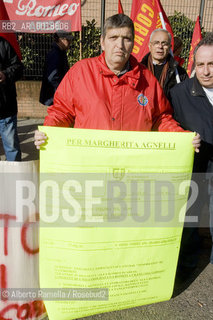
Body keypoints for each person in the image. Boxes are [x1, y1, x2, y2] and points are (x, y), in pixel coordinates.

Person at [34, 14, 200, 152]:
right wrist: (48, 132)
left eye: (126, 38)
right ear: (102, 41)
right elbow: (61, 112)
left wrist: (182, 138)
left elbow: (161, 118)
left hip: (131, 168)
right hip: (89, 164)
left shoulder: (148, 79)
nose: (119, 45)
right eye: (113, 37)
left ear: (133, 43)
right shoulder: (80, 72)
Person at [170, 33, 213, 266]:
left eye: (211, 64)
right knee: (189, 220)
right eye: (201, 64)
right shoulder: (179, 94)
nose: (206, 71)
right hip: (193, 170)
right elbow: (168, 126)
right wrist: (182, 137)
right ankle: (182, 265)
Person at [141, 29, 188, 98]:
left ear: (169, 47)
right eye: (156, 43)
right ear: (150, 46)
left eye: (164, 43)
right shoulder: (139, 70)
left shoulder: (179, 73)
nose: (160, 47)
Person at [0, 36, 23, 161]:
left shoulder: (4, 44)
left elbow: (18, 68)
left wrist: (5, 74)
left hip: (5, 109)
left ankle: (14, 177)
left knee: (11, 148)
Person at [39, 31, 72, 106]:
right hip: (54, 98)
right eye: (68, 39)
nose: (70, 42)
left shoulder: (60, 53)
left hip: (55, 97)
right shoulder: (55, 55)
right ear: (61, 40)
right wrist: (62, 91)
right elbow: (53, 77)